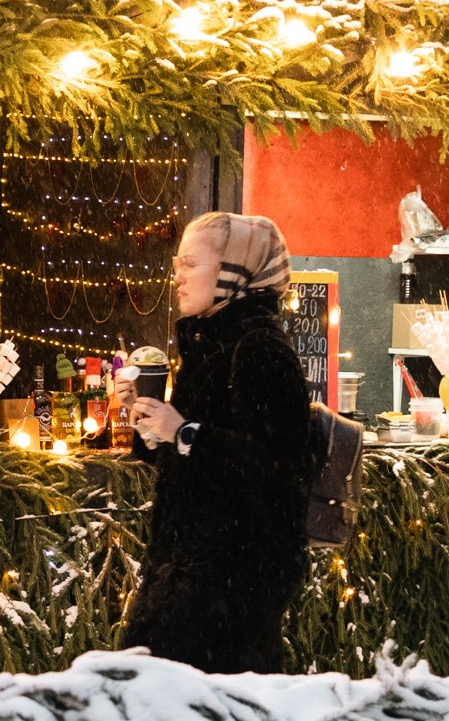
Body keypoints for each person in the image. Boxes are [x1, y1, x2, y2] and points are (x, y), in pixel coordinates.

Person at [113, 211, 318, 674]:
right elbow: (191, 455)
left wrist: (185, 433)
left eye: (191, 264)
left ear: (233, 273)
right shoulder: (209, 346)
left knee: (160, 700)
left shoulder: (260, 348)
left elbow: (279, 467)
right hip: (191, 568)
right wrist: (149, 423)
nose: (178, 278)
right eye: (177, 264)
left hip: (230, 581)